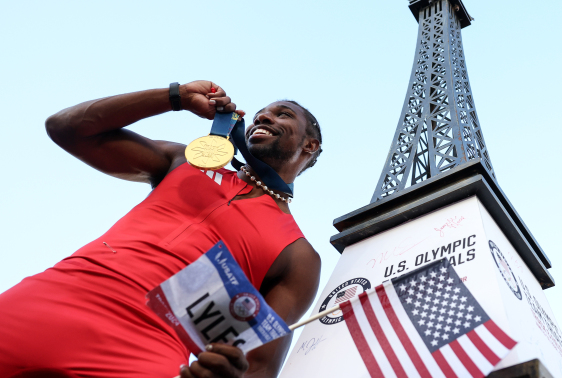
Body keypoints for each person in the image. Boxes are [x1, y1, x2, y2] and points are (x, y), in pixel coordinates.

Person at [0, 80, 323, 378]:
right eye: (259, 115)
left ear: (310, 145)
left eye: (282, 115)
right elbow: (66, 128)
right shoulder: (185, 162)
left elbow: (259, 367)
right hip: (46, 303)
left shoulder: (299, 255)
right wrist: (175, 97)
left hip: (146, 351)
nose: (263, 118)